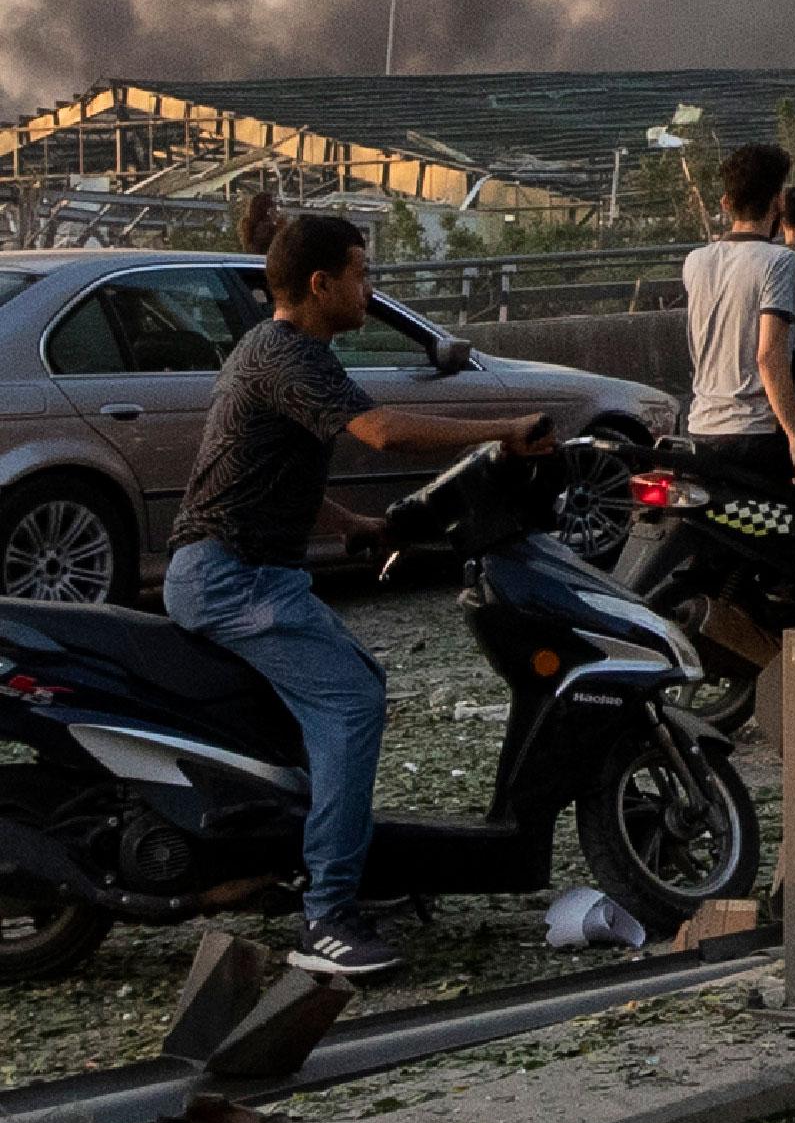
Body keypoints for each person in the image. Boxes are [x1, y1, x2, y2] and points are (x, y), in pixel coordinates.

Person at [161, 215, 556, 982]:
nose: (370, 292)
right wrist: (505, 428)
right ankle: (329, 916)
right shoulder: (288, 354)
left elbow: (259, 471)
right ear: (321, 284)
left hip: (238, 568)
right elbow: (384, 433)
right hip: (232, 577)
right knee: (351, 702)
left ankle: (308, 863)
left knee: (343, 697)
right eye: (363, 275)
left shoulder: (275, 354)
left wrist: (354, 525)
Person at [677, 144, 795, 490]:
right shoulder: (780, 261)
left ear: (726, 203)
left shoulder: (695, 261)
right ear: (779, 203)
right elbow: (769, 357)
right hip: (753, 435)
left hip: (701, 428)